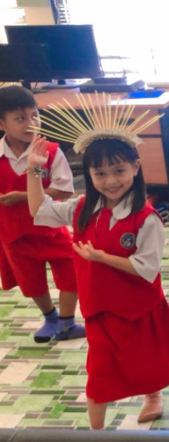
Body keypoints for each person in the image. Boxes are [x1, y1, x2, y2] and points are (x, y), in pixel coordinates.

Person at [27, 100, 169, 430]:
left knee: (146, 362)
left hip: (138, 307)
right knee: (99, 375)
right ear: (89, 174)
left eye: (118, 171)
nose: (110, 181)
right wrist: (34, 171)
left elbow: (146, 269)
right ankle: (96, 432)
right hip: (99, 309)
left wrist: (101, 257)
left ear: (135, 167)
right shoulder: (82, 207)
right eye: (100, 173)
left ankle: (153, 394)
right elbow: (38, 210)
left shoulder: (147, 219)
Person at [0, 85, 84, 342]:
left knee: (71, 272)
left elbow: (64, 190)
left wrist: (21, 196)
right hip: (14, 235)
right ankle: (50, 318)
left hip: (51, 229)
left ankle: (67, 323)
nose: (30, 123)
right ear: (2, 123)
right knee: (31, 282)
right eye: (20, 118)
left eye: (35, 115)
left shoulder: (51, 151)